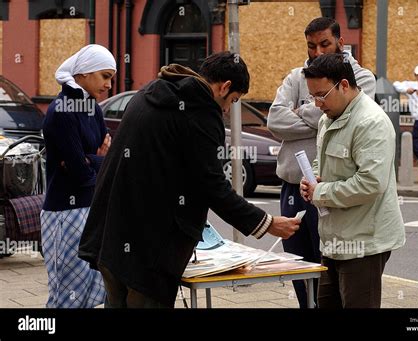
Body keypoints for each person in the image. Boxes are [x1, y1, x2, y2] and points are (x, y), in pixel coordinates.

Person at [78, 51, 301, 308]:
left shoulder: (150, 92)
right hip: (149, 248)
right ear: (225, 86)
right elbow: (213, 187)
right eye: (233, 100)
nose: (227, 109)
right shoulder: (201, 113)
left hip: (110, 235)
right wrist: (267, 223)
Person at [267, 17, 376, 308]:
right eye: (311, 46)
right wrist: (317, 116)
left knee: (329, 269)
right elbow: (274, 120)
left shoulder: (360, 78)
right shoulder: (296, 75)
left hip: (329, 189)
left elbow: (336, 117)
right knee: (298, 266)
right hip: (293, 187)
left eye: (325, 44)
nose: (317, 52)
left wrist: (300, 111)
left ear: (340, 42)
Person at [299, 53, 405, 308]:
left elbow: (370, 184)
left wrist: (320, 192)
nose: (317, 104)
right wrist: (311, 179)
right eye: (313, 96)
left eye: (321, 95)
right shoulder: (329, 117)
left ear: (344, 85)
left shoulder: (370, 122)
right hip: (335, 238)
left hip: (364, 242)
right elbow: (321, 162)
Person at [41, 44, 116, 308]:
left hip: (91, 208)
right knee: (67, 297)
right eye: (105, 76)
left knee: (92, 293)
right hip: (64, 213)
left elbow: (102, 161)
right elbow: (80, 173)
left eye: (111, 78)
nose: (109, 84)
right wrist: (98, 159)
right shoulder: (60, 110)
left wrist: (93, 159)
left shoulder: (93, 109)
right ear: (83, 73)